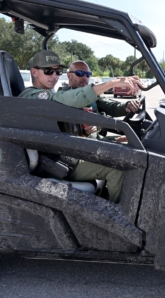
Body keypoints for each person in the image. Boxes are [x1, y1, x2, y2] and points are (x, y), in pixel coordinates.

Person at [19, 50, 142, 203]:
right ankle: (120, 219)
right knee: (116, 169)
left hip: (67, 150)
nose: (55, 76)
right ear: (34, 72)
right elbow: (68, 98)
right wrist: (114, 82)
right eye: (49, 71)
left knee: (123, 151)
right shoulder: (33, 96)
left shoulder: (49, 95)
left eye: (58, 71)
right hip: (57, 160)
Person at [62, 60, 140, 143]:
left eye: (88, 74)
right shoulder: (63, 98)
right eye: (80, 73)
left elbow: (110, 106)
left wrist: (126, 106)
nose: (85, 78)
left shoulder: (92, 94)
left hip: (95, 141)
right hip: (81, 147)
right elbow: (73, 141)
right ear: (69, 75)